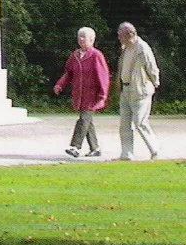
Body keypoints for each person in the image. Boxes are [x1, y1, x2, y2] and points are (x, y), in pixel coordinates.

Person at [53, 26, 110, 158]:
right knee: (87, 121)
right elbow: (68, 73)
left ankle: (75, 147)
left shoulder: (96, 55)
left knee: (83, 120)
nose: (81, 39)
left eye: (84, 37)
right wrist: (59, 85)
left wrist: (103, 93)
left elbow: (103, 75)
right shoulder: (75, 55)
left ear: (92, 39)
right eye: (80, 36)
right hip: (79, 94)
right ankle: (95, 148)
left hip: (92, 95)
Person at [116, 21, 160, 160]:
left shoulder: (142, 48)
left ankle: (155, 150)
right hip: (126, 89)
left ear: (129, 34)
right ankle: (127, 154)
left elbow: (152, 67)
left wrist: (155, 83)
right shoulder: (125, 48)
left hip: (140, 90)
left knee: (140, 122)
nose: (118, 37)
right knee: (124, 124)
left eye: (120, 35)